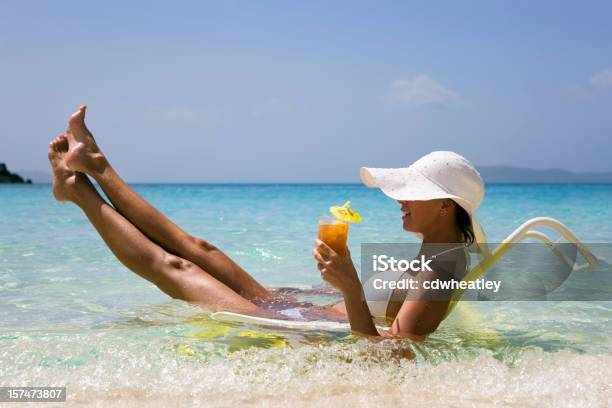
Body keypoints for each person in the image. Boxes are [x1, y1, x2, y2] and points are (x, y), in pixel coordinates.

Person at [48, 105, 486, 340]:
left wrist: (351, 288)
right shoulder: (438, 255)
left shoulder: (440, 269)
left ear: (446, 206)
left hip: (296, 324)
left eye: (412, 194)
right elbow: (391, 310)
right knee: (199, 249)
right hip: (297, 308)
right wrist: (325, 288)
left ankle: (84, 189)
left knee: (177, 266)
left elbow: (395, 358)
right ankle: (94, 170)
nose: (400, 202)